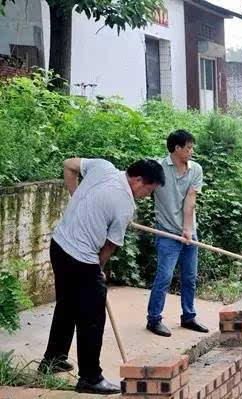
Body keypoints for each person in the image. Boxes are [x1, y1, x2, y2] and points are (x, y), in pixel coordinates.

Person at [39, 158, 165, 394]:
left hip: (59, 245)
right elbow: (109, 246)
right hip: (81, 257)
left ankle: (52, 359)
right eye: (150, 190)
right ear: (138, 181)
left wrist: (75, 196)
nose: (148, 196)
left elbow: (68, 165)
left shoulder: (103, 167)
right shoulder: (125, 204)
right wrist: (99, 269)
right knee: (92, 316)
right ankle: (90, 377)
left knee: (67, 304)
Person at [146, 130, 209, 337]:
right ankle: (154, 319)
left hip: (189, 233)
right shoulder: (158, 168)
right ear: (176, 148)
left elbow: (190, 200)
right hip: (166, 233)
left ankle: (188, 317)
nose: (192, 151)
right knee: (164, 277)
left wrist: (188, 230)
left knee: (189, 277)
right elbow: (140, 189)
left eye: (192, 147)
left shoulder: (195, 169)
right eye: (188, 147)